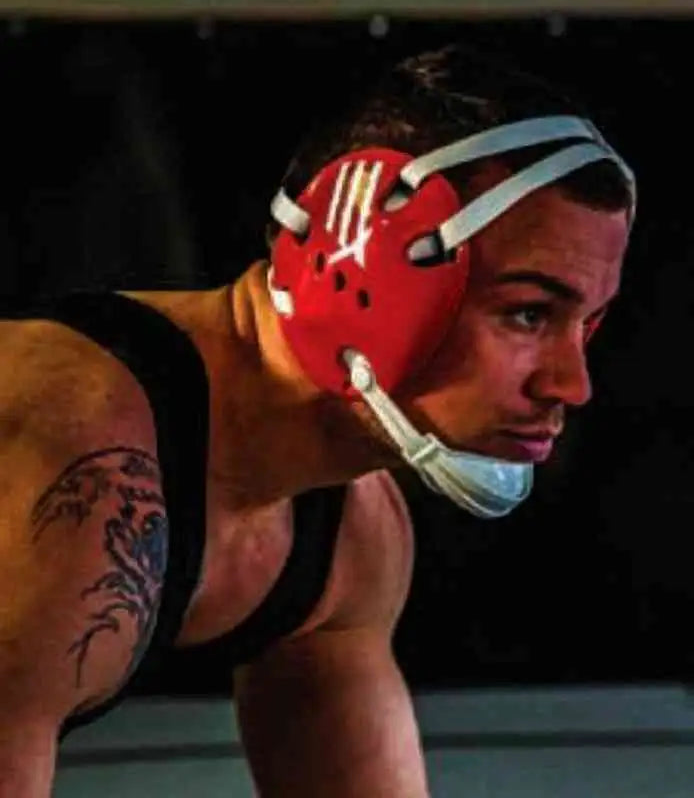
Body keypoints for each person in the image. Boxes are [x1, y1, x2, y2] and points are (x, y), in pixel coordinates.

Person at [0, 43, 634, 797]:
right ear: (362, 270)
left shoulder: (351, 541)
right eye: (529, 313)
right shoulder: (72, 469)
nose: (573, 383)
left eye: (585, 326)